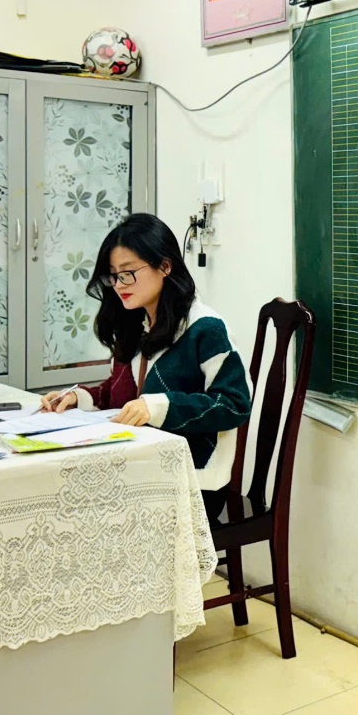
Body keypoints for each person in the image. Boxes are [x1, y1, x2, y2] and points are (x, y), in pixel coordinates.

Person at [41, 213, 251, 528]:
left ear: (165, 267)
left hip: (192, 482)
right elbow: (121, 393)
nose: (118, 285)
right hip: (140, 468)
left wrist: (156, 408)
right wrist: (79, 397)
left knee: (77, 515)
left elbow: (233, 405)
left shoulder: (205, 328)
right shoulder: (137, 323)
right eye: (113, 276)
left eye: (128, 273)